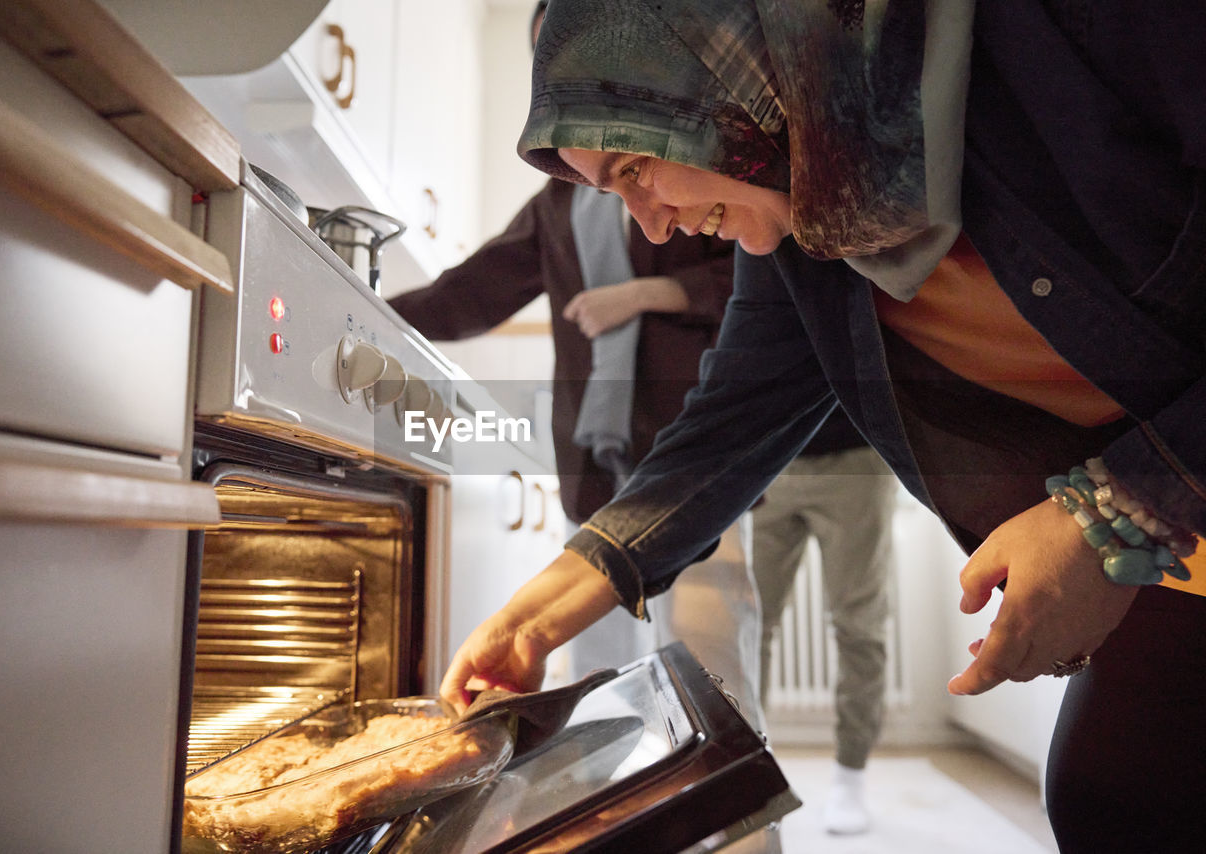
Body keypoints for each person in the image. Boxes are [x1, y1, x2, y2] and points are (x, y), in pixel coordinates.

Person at [440, 1, 1206, 852]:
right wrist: (530, 624)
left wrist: (1121, 508)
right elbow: (721, 437)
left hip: (1167, 513)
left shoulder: (1077, 31)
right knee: (1114, 800)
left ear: (713, 76)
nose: (650, 223)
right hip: (1185, 554)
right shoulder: (810, 230)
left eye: (634, 168)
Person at [391, 0, 770, 733]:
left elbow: (758, 284)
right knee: (602, 692)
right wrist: (365, 313)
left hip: (692, 459)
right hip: (595, 468)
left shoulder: (700, 164)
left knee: (711, 686)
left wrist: (649, 293)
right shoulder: (556, 203)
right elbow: (470, 292)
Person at [753, 430, 896, 835]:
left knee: (859, 625)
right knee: (749, 626)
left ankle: (850, 776)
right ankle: (748, 775)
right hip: (767, 452)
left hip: (856, 452)